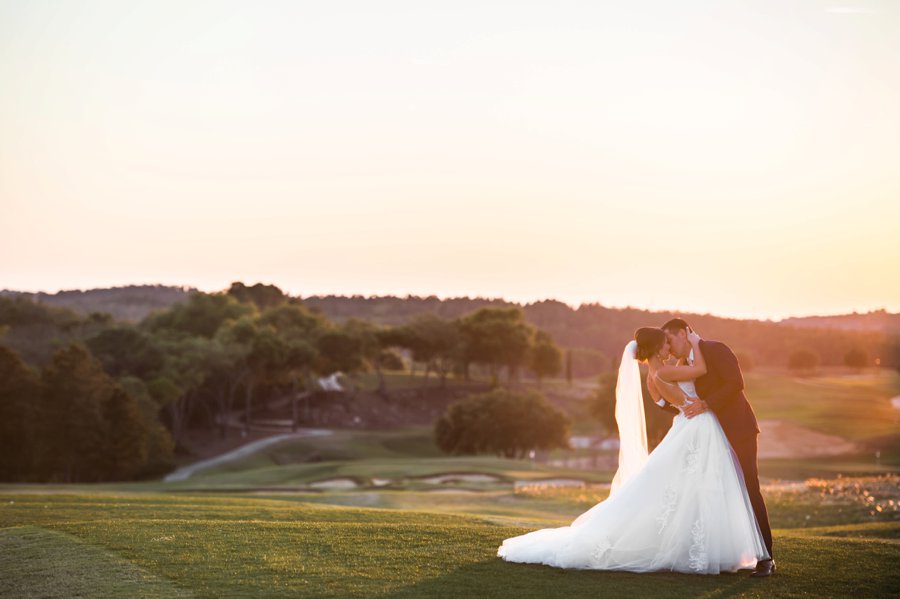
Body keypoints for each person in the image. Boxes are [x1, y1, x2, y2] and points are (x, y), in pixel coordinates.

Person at [496, 327, 770, 575]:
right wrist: (696, 342)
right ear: (657, 347)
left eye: (670, 342)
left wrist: (683, 404)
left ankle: (713, 549)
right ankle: (714, 549)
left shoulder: (655, 376)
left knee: (694, 490)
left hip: (698, 425)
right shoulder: (665, 371)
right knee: (699, 489)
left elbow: (664, 404)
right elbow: (699, 371)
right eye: (665, 344)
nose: (669, 349)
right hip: (698, 426)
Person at [658, 318, 775, 577]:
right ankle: (721, 552)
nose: (668, 345)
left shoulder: (715, 349)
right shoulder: (683, 364)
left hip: (737, 429)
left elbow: (735, 383)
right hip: (710, 438)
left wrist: (706, 404)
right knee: (714, 492)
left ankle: (766, 556)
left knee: (749, 487)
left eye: (669, 339)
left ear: (683, 333)